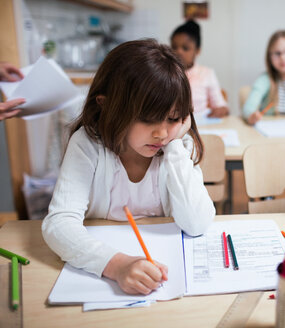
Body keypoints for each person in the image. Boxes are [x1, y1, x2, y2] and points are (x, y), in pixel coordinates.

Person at [42, 39, 215, 295]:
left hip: (164, 280)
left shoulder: (176, 143)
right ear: (107, 105)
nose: (161, 133)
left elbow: (197, 223)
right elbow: (59, 224)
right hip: (101, 281)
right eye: (147, 119)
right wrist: (117, 265)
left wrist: (176, 148)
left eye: (172, 118)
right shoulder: (88, 144)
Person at [170, 20, 229, 118]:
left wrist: (221, 109)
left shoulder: (207, 73)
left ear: (197, 51)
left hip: (200, 125)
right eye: (174, 47)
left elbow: (221, 105)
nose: (179, 52)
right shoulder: (164, 73)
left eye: (185, 48)